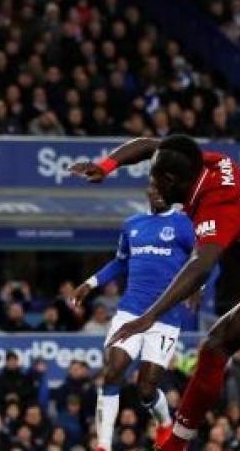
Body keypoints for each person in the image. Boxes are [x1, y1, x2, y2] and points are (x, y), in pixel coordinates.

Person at [69, 135, 240, 451]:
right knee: (122, 369)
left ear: (170, 182)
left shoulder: (208, 210)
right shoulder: (206, 164)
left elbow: (201, 265)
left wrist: (155, 313)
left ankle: (170, 433)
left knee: (183, 366)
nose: (151, 187)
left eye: (155, 180)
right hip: (138, 305)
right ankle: (115, 444)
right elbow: (150, 146)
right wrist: (106, 165)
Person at [69, 183, 196, 450]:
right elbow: (120, 261)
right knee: (113, 371)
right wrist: (90, 283)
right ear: (147, 192)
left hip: (165, 317)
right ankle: (103, 445)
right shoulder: (132, 224)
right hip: (130, 311)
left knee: (146, 389)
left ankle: (164, 423)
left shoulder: (184, 225)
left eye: (163, 187)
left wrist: (199, 288)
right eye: (154, 187)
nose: (158, 192)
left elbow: (202, 259)